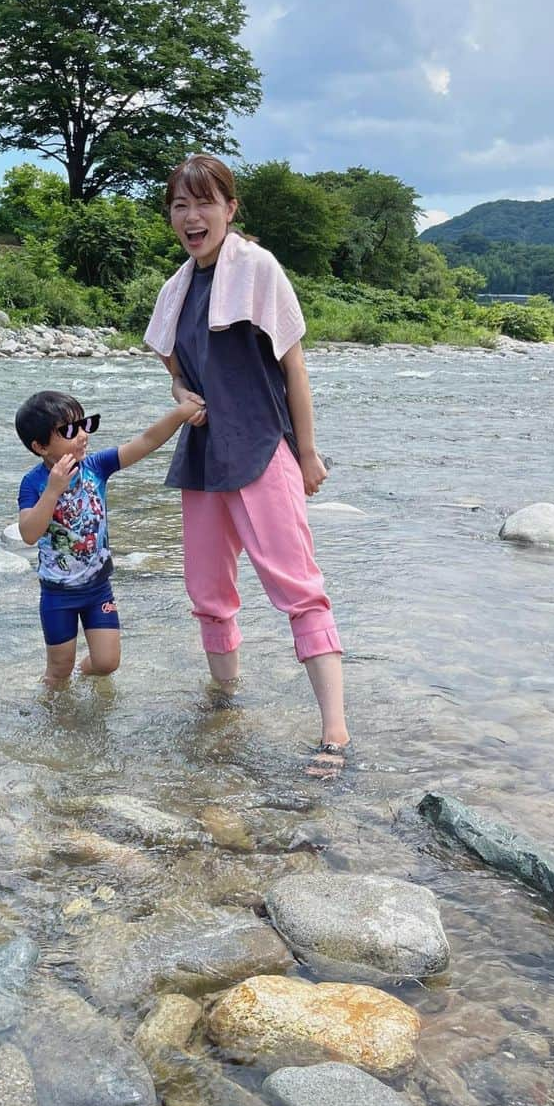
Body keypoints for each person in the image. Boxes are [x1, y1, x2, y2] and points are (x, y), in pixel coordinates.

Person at [144, 153, 350, 777]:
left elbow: (293, 365)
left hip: (263, 449)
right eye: (180, 205)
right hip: (204, 458)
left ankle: (335, 733)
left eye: (203, 202)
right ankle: (225, 706)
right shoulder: (176, 289)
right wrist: (183, 401)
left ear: (230, 209)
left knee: (299, 590)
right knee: (208, 594)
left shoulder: (257, 268)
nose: (190, 216)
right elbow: (176, 374)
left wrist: (308, 453)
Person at [15, 389, 203, 688]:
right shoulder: (34, 483)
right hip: (58, 594)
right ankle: (54, 710)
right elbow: (28, 533)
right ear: (40, 446)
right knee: (58, 669)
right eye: (69, 430)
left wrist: (181, 414)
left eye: (84, 425)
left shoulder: (96, 467)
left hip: (97, 588)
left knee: (106, 663)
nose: (82, 435)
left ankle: (82, 674)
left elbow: (146, 441)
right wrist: (53, 490)